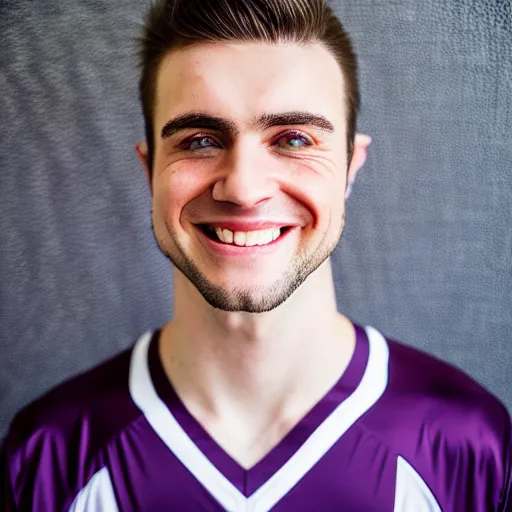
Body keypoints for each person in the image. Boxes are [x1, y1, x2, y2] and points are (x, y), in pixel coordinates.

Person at [1, 0, 511, 510]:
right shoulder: (46, 454)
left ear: (350, 166)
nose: (244, 189)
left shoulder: (469, 443)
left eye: (293, 138)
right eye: (200, 140)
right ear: (149, 170)